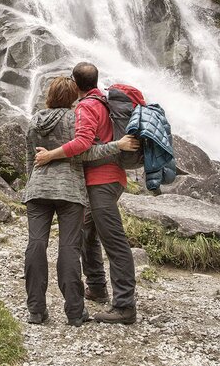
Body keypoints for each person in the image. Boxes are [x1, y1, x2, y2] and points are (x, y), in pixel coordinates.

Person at [23, 76, 136, 327]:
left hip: (38, 189)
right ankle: (74, 312)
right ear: (74, 96)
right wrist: (117, 146)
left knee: (36, 244)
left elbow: (30, 159)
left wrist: (30, 185)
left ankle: (35, 311)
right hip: (69, 191)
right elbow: (86, 151)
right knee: (69, 248)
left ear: (49, 95)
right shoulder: (76, 118)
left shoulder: (34, 121)